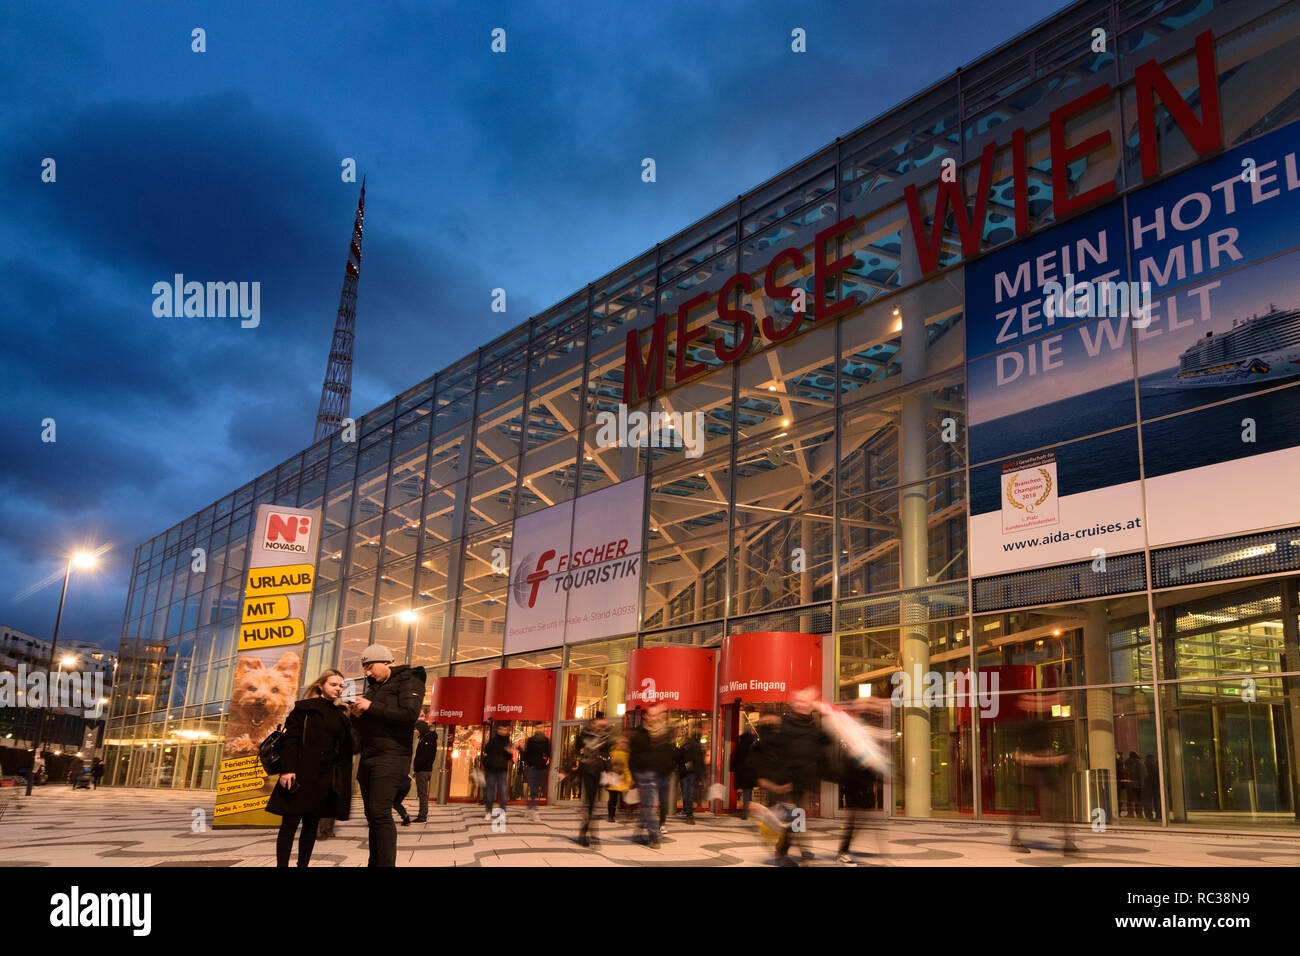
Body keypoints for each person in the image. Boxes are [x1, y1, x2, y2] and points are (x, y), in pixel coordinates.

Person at [267, 668, 355, 867]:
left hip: (324, 778)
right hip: (299, 775)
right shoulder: (304, 709)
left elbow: (349, 748)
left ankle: (303, 865)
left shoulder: (341, 715)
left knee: (311, 825)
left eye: (341, 685)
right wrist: (287, 770)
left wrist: (355, 720)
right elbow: (290, 741)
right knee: (289, 825)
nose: (338, 689)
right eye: (333, 684)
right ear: (321, 685)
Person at [350, 644, 427, 867]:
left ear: (386, 663)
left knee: (380, 812)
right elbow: (368, 721)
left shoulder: (410, 681)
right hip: (369, 756)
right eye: (364, 668)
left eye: (370, 666)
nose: (367, 673)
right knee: (372, 815)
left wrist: (371, 706)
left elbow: (409, 715)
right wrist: (356, 715)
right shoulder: (374, 687)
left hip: (392, 756)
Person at [756, 689, 830, 866]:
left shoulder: (813, 727)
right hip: (786, 782)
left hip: (804, 782)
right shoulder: (784, 725)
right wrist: (767, 779)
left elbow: (821, 749)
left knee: (796, 818)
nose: (804, 706)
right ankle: (794, 852)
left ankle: (786, 851)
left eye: (807, 703)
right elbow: (767, 750)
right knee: (795, 818)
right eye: (801, 702)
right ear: (795, 705)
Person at [1008, 692, 1078, 855]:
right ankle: (1016, 838)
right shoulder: (1025, 724)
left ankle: (1067, 840)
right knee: (1022, 803)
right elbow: (1017, 749)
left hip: (1041, 765)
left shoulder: (1043, 724)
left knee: (1058, 802)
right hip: (1030, 765)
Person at [629, 703, 676, 848]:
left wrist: (670, 767)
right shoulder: (640, 733)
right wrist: (634, 775)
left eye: (656, 715)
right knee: (649, 805)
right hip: (646, 773)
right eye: (651, 715)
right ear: (645, 716)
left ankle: (638, 831)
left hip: (664, 773)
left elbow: (672, 752)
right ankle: (654, 836)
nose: (654, 718)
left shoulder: (667, 731)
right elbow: (633, 756)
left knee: (658, 805)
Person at [575, 716, 612, 847]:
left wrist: (609, 773)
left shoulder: (605, 739)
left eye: (603, 725)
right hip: (588, 772)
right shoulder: (584, 736)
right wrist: (580, 758)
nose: (601, 726)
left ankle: (583, 833)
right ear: (593, 724)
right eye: (599, 724)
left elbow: (607, 757)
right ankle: (593, 836)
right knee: (591, 803)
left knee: (591, 804)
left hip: (599, 772)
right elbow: (575, 752)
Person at [482, 722, 515, 822]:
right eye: (501, 729)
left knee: (502, 793)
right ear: (498, 730)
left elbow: (510, 758)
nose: (502, 731)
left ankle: (503, 813)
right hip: (491, 770)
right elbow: (485, 752)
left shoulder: (508, 742)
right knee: (490, 793)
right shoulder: (493, 741)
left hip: (502, 770)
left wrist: (510, 753)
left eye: (504, 730)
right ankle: (488, 812)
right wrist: (487, 764)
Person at [675, 729, 704, 824]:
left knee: (686, 793)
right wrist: (700, 776)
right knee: (689, 793)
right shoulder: (697, 747)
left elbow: (679, 759)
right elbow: (700, 762)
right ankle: (688, 813)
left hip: (685, 773)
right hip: (692, 773)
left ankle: (688, 813)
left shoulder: (684, 746)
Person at [522, 725, 551, 819]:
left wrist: (545, 764)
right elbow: (527, 753)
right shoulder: (531, 740)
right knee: (534, 789)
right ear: (535, 729)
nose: (539, 729)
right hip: (533, 767)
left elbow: (548, 753)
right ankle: (534, 811)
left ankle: (530, 808)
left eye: (541, 728)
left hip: (541, 767)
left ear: (543, 729)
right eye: (537, 728)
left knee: (537, 788)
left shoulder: (546, 741)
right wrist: (530, 764)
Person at [731, 719, 758, 819]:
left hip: (742, 770)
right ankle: (747, 810)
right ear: (751, 731)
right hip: (751, 770)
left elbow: (736, 756)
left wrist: (733, 767)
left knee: (745, 790)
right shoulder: (754, 742)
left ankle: (745, 811)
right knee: (749, 790)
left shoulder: (740, 741)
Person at [412, 721, 438, 823]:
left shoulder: (427, 740)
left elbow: (424, 757)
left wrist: (417, 768)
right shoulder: (428, 738)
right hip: (424, 770)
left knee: (422, 794)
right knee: (422, 793)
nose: (416, 732)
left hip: (423, 771)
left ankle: (422, 816)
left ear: (421, 729)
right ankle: (422, 814)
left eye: (417, 729)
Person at [607, 735, 633, 822]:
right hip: (613, 777)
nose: (624, 744)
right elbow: (607, 764)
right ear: (617, 743)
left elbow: (626, 768)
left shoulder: (627, 754)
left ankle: (628, 814)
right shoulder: (611, 752)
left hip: (621, 778)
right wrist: (612, 761)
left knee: (625, 797)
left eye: (625, 743)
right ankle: (611, 816)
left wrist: (629, 779)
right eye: (622, 742)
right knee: (613, 797)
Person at [1144, 753, 1160, 820]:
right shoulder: (1155, 766)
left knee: (1149, 801)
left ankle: (1150, 815)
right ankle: (1157, 815)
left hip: (1149, 786)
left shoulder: (1146, 765)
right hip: (1153, 786)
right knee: (1155, 801)